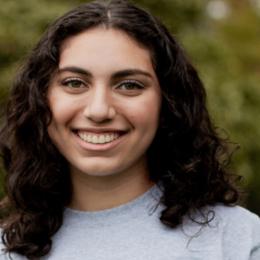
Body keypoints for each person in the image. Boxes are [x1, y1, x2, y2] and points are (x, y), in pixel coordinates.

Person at [0, 0, 259, 259]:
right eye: (75, 82)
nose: (99, 110)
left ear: (167, 102)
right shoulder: (7, 250)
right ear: (41, 98)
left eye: (129, 85)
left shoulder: (238, 241)